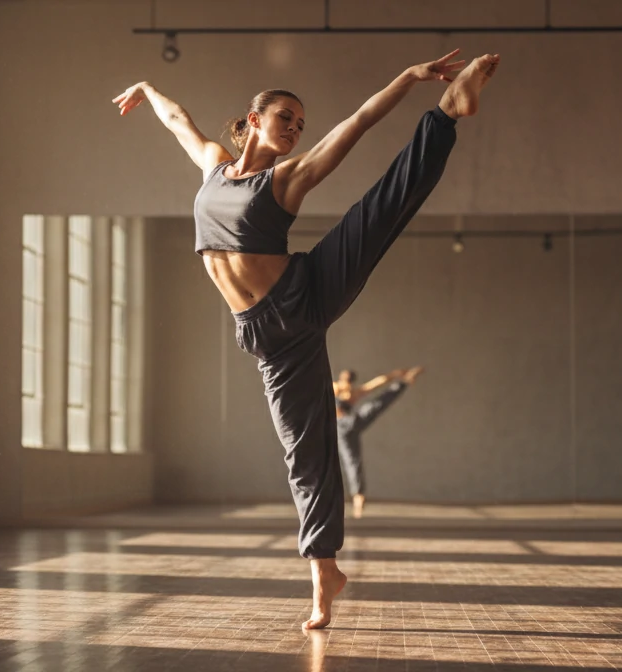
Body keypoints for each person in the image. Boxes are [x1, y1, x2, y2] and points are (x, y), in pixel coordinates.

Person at [112, 50, 499, 630]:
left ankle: (447, 112)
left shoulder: (286, 181)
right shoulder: (214, 166)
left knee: (379, 211)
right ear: (254, 117)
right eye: (285, 117)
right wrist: (146, 84)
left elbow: (359, 122)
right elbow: (177, 121)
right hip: (269, 335)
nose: (294, 128)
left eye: (299, 123)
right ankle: (325, 572)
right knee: (304, 451)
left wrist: (411, 77)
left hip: (305, 291)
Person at [334, 366, 423, 519]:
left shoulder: (355, 393)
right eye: (346, 382)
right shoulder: (334, 388)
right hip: (340, 428)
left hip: (354, 424)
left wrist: (394, 375)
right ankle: (357, 496)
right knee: (351, 461)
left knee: (375, 406)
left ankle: (403, 383)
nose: (348, 387)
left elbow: (376, 383)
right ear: (342, 380)